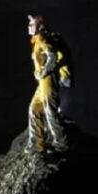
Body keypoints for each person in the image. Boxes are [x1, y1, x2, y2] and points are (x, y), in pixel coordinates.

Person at [26, 14, 70, 153]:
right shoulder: (37, 40)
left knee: (50, 112)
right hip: (42, 83)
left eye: (32, 24)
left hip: (48, 82)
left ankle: (60, 143)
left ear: (40, 27)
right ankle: (37, 144)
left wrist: (44, 71)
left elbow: (52, 55)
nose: (29, 27)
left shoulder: (42, 39)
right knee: (34, 109)